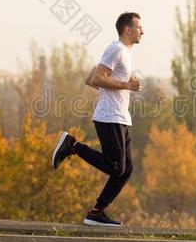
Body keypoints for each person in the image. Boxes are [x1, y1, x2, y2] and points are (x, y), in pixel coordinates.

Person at [51, 12, 144, 227]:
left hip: (120, 117)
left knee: (125, 170)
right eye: (139, 27)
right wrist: (126, 85)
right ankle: (72, 145)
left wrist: (118, 86)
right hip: (109, 116)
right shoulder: (116, 49)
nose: (142, 31)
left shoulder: (123, 52)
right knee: (115, 168)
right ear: (127, 29)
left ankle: (96, 212)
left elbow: (91, 79)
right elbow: (97, 78)